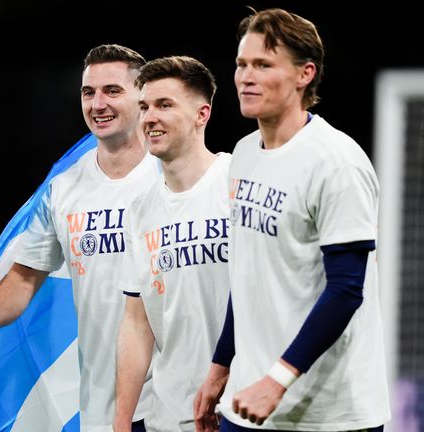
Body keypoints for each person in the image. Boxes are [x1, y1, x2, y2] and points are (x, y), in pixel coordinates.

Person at [193, 7, 390, 432]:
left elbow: (346, 289)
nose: (245, 76)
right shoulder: (243, 154)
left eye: (263, 65)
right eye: (241, 64)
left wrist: (277, 380)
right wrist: (220, 366)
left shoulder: (336, 163)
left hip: (328, 413)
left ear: (305, 74)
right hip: (246, 403)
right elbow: (248, 274)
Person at [0, 44, 159, 431]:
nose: (98, 103)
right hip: (98, 401)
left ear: (143, 97)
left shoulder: (174, 174)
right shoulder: (63, 188)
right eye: (88, 92)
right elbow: (25, 276)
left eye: (112, 91)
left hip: (169, 395)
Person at [114, 56, 231, 432]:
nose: (149, 117)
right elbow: (137, 324)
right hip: (169, 414)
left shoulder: (239, 182)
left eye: (165, 105)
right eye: (145, 106)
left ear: (202, 114)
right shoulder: (140, 209)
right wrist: (121, 423)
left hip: (240, 407)